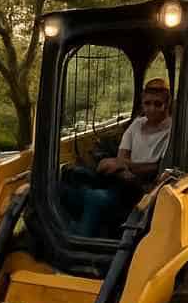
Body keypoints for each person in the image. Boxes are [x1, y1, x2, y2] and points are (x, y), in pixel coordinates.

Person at [62, 79, 174, 238]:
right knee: (72, 181)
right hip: (122, 182)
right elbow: (122, 157)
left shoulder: (171, 132)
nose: (151, 109)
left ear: (167, 104)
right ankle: (72, 230)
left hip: (143, 192)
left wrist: (125, 166)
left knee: (94, 198)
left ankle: (80, 239)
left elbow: (155, 168)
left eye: (158, 104)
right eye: (147, 103)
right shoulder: (137, 124)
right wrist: (124, 167)